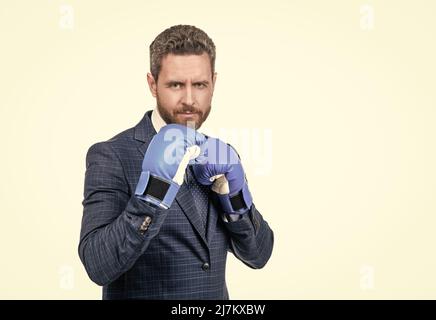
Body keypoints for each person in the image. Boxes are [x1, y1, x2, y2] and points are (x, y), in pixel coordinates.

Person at [78, 24, 274, 299]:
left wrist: (236, 198)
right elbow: (98, 265)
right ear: (152, 84)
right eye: (176, 85)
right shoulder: (112, 155)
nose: (190, 100)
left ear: (214, 83)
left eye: (200, 85)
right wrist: (154, 189)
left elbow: (259, 254)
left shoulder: (221, 154)